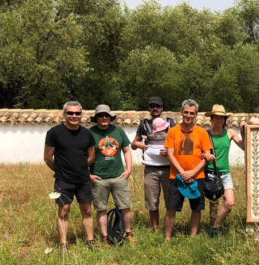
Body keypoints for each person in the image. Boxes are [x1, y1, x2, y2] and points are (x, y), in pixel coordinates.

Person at [43, 101, 96, 250]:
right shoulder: (54, 133)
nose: (74, 116)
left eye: (77, 113)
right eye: (70, 113)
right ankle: (63, 244)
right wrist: (60, 170)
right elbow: (48, 157)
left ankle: (91, 242)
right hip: (63, 180)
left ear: (81, 115)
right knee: (64, 211)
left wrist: (80, 168)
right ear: (64, 114)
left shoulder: (87, 134)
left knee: (87, 210)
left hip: (83, 179)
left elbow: (91, 156)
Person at [164, 99, 214, 240]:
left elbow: (207, 155)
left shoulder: (202, 132)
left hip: (197, 176)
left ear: (196, 115)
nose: (188, 115)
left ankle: (193, 237)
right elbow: (169, 153)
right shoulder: (173, 132)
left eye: (192, 113)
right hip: (176, 176)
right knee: (171, 208)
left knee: (196, 208)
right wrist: (182, 172)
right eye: (186, 112)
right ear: (181, 112)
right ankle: (167, 239)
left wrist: (192, 172)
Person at [89, 104, 136, 245]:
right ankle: (105, 237)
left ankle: (128, 232)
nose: (104, 118)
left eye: (106, 115)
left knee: (125, 206)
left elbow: (127, 150)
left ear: (110, 117)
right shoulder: (90, 133)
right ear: (96, 118)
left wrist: (129, 169)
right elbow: (82, 155)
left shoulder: (118, 131)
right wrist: (88, 175)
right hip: (98, 178)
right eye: (101, 115)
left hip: (119, 176)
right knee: (101, 208)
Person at [131, 96, 176, 231]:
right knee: (152, 201)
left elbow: (178, 143)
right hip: (150, 169)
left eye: (157, 106)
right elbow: (133, 144)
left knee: (170, 201)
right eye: (152, 106)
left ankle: (169, 228)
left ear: (162, 108)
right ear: (148, 108)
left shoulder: (171, 123)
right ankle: (155, 229)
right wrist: (139, 145)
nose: (155, 108)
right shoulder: (144, 124)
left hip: (169, 168)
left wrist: (168, 151)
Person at [204, 104, 244, 236]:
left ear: (225, 119)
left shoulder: (230, 133)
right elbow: (199, 151)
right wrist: (205, 155)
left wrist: (244, 131)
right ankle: (213, 231)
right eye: (216, 117)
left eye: (222, 118)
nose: (219, 120)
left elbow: (244, 146)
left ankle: (216, 225)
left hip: (225, 173)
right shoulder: (206, 134)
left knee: (230, 202)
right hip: (210, 172)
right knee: (214, 204)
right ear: (212, 119)